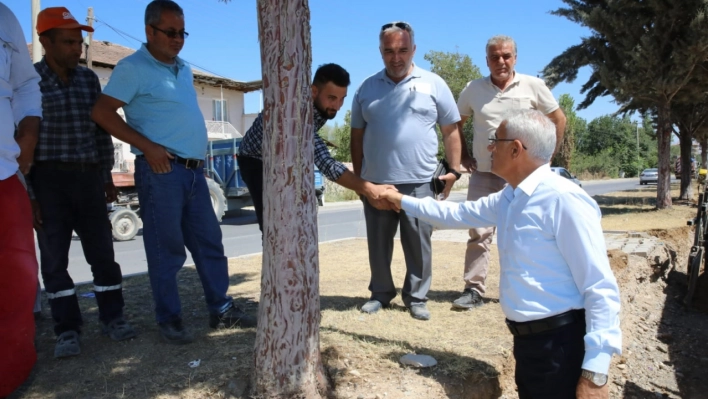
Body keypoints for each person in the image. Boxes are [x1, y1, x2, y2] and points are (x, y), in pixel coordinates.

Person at [379, 109, 620, 399]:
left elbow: (600, 287)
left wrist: (595, 373)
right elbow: (457, 213)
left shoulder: (562, 199)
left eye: (496, 141)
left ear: (516, 149)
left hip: (561, 347)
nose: (490, 147)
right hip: (529, 345)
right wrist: (401, 200)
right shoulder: (511, 196)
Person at [92, 0, 256, 345]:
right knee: (166, 249)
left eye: (182, 32)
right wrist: (148, 147)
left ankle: (222, 309)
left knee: (209, 243)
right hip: (161, 171)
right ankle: (170, 318)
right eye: (170, 32)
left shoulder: (182, 69)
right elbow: (103, 113)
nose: (178, 39)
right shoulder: (132, 67)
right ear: (149, 30)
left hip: (195, 173)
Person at [30, 7, 137, 359]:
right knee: (54, 260)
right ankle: (67, 330)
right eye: (69, 42)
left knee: (103, 254)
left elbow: (100, 131)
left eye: (79, 42)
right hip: (48, 180)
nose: (77, 49)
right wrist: (31, 194)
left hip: (89, 177)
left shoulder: (88, 80)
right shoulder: (30, 83)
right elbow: (23, 143)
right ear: (45, 42)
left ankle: (114, 317)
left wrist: (106, 173)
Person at [350, 21, 463, 321]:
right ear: (380, 52)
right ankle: (380, 294)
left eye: (402, 50)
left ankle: (416, 297)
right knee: (378, 243)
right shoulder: (366, 88)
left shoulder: (434, 83)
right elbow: (356, 137)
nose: (396, 57)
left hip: (420, 182)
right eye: (389, 51)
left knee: (418, 243)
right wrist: (361, 181)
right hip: (377, 183)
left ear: (414, 49)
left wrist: (453, 172)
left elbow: (451, 130)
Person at [452, 35, 567, 310]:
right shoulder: (473, 89)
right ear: (487, 60)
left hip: (524, 177)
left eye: (506, 56)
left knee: (526, 231)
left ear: (515, 58)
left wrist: (547, 158)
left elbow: (558, 119)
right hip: (485, 173)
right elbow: (454, 123)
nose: (500, 61)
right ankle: (473, 290)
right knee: (478, 232)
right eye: (494, 57)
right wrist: (464, 157)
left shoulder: (533, 86)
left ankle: (527, 288)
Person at [238, 63, 394, 232]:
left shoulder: (319, 107)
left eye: (342, 98)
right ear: (313, 91)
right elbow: (326, 163)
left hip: (284, 156)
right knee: (272, 226)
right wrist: (369, 188)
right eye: (332, 98)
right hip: (255, 160)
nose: (337, 106)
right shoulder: (298, 114)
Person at [0, 2, 42, 396]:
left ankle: (11, 377)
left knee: (17, 286)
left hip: (4, 176)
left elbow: (26, 83)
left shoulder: (4, 17)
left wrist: (28, 132)